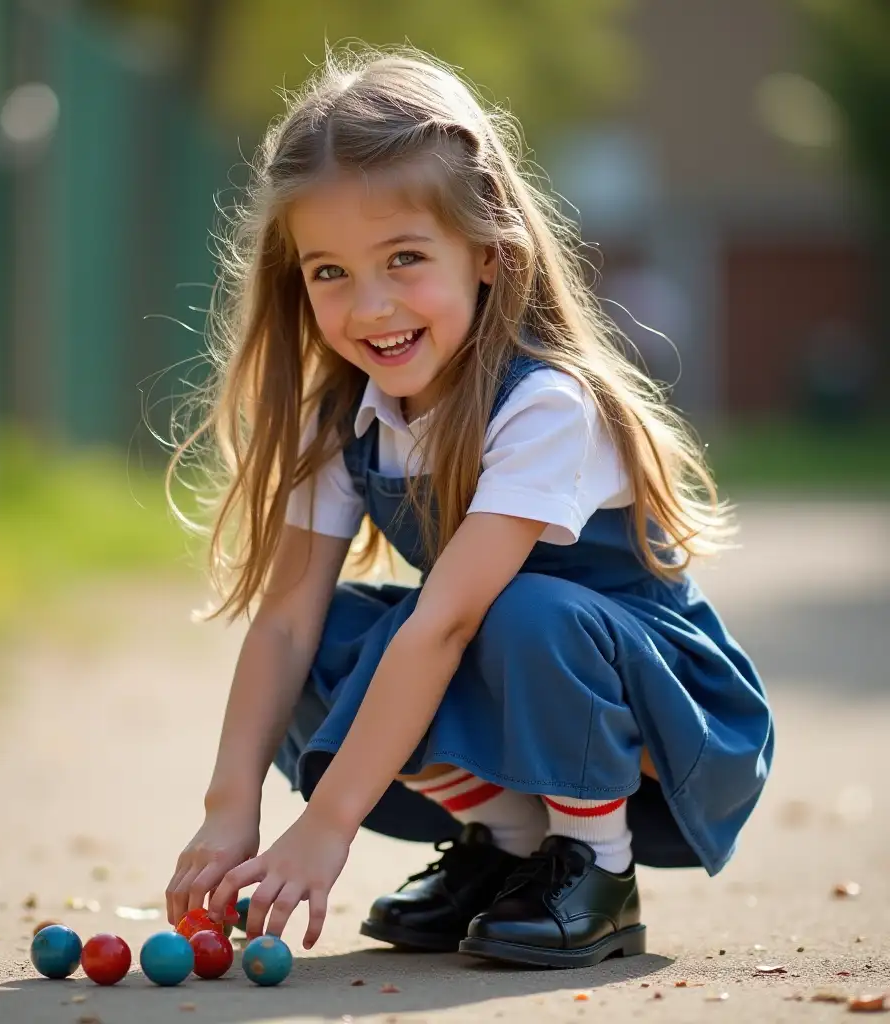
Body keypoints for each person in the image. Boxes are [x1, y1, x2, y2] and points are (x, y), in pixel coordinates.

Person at [163, 46, 774, 969]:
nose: (370, 306)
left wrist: (329, 824)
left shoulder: (543, 406)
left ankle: (595, 867)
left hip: (659, 710)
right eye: (329, 272)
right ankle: (509, 848)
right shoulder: (344, 418)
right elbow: (285, 625)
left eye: (404, 259)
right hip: (511, 668)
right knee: (320, 633)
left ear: (487, 254)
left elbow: (448, 623)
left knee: (522, 609)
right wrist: (227, 812)